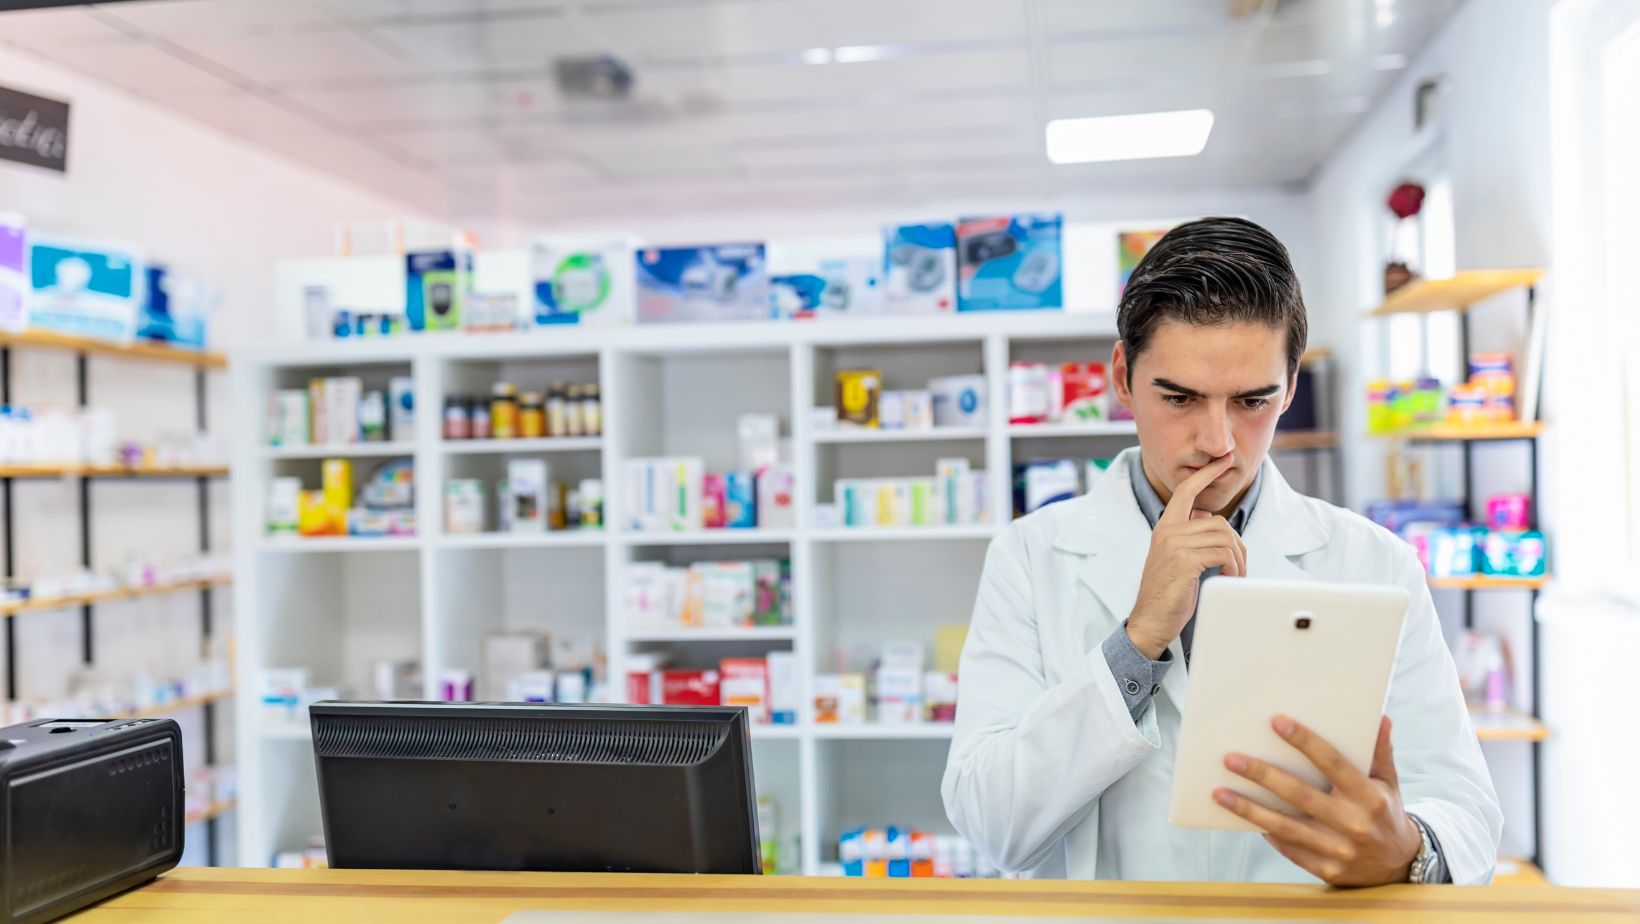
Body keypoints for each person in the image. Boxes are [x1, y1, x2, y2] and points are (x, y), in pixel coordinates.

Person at [941, 217, 1501, 885]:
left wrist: (1409, 851)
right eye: (1179, 397)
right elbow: (991, 823)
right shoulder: (1030, 559)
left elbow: (1466, 810)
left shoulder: (1376, 564)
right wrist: (1140, 638)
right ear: (1123, 377)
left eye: (1252, 401)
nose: (1217, 441)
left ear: (1290, 387)